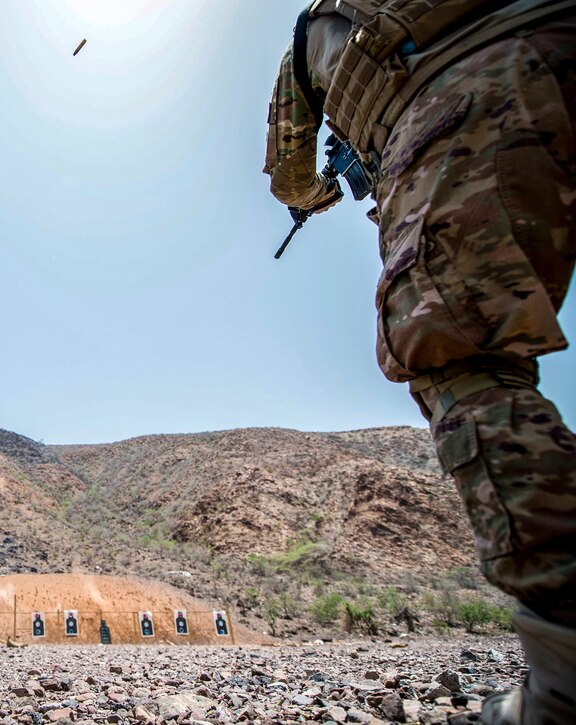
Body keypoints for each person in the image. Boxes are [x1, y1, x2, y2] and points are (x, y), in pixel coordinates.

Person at [263, 2, 575, 722]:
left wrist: (321, 191)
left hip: (459, 102)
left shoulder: (317, 24)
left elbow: (289, 169)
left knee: (454, 352)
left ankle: (567, 663)